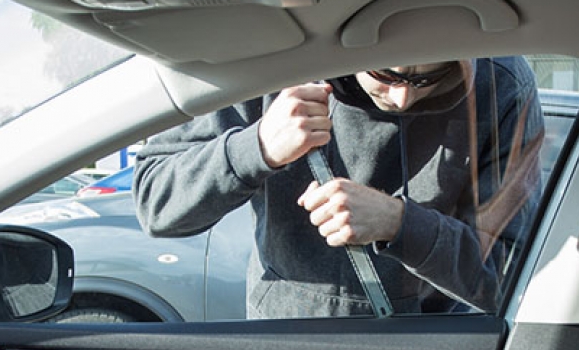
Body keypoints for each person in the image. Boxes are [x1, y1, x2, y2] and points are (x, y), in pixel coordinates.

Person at [132, 57, 544, 318]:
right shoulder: (268, 60)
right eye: (385, 72)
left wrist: (398, 223)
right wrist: (256, 148)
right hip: (289, 347)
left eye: (431, 78)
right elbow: (157, 203)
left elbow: (511, 277)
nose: (401, 98)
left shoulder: (500, 83)